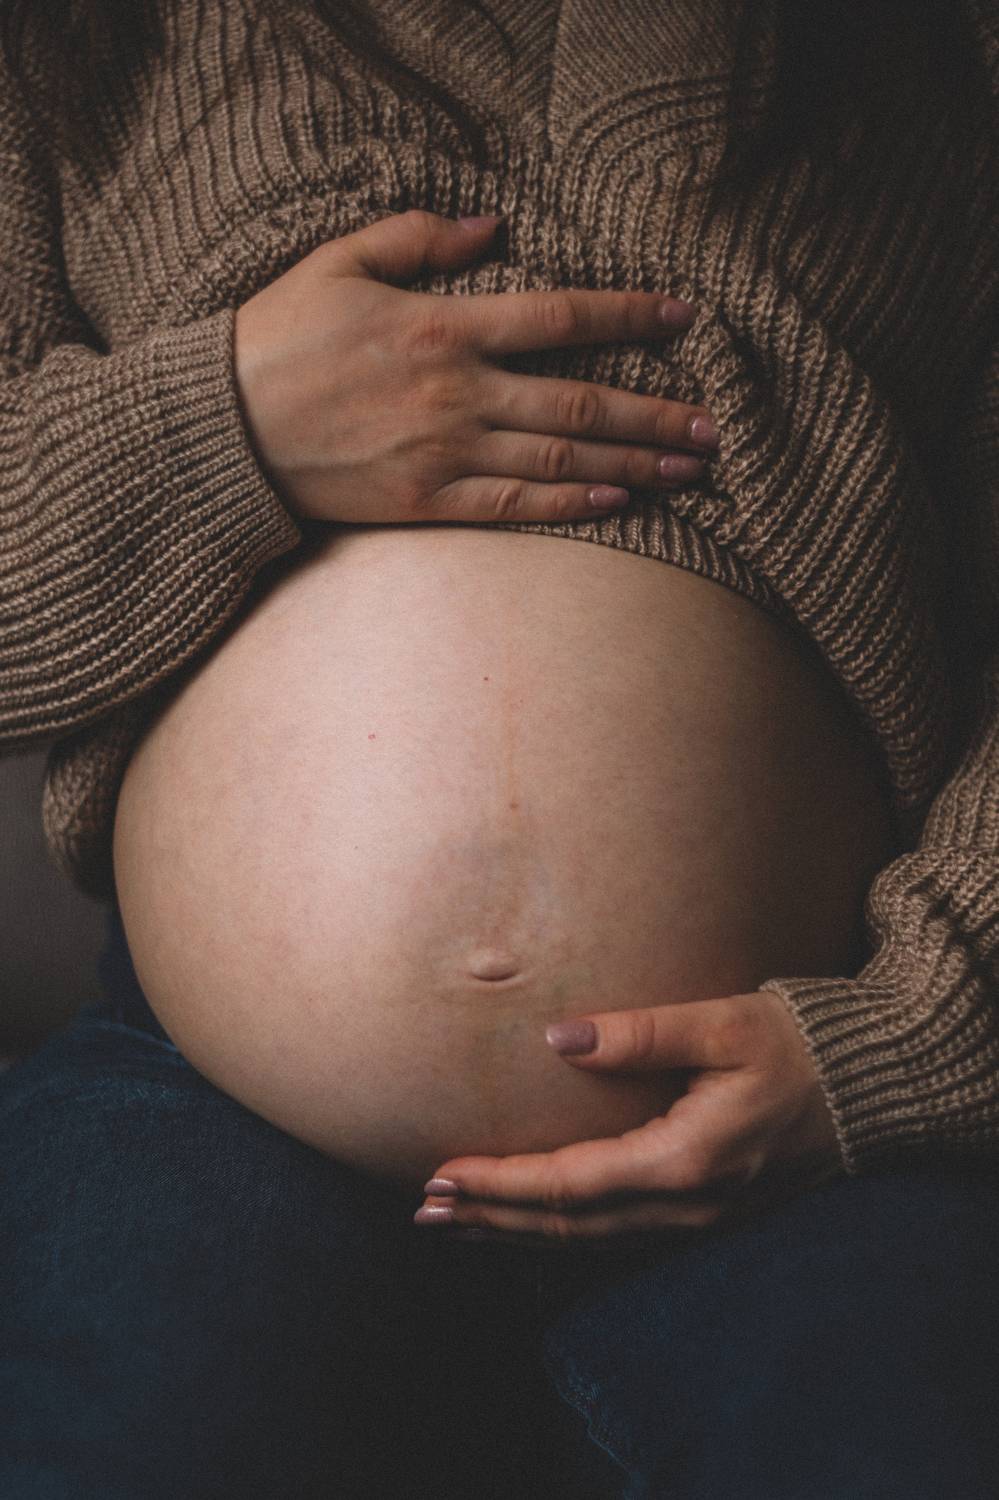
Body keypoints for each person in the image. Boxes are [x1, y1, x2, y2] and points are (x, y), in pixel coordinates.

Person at [1, 1, 998, 1495]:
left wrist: (925, 1022)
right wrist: (228, 425)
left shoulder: (940, 51)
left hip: (806, 1111)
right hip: (205, 1097)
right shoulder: (69, 45)